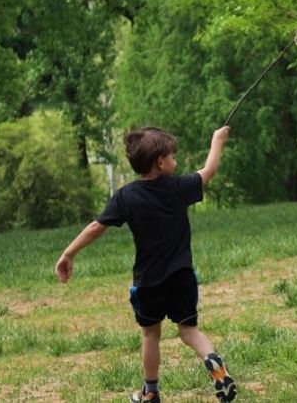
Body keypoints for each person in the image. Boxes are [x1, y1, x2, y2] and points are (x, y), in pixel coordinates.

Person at [55, 126, 237, 403]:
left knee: (150, 334)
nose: (176, 162)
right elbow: (209, 171)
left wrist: (68, 253)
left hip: (149, 282)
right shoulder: (178, 188)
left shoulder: (126, 196)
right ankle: (214, 361)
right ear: (160, 162)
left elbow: (96, 227)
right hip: (182, 276)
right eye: (173, 157)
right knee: (189, 330)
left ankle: (150, 392)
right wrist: (217, 140)